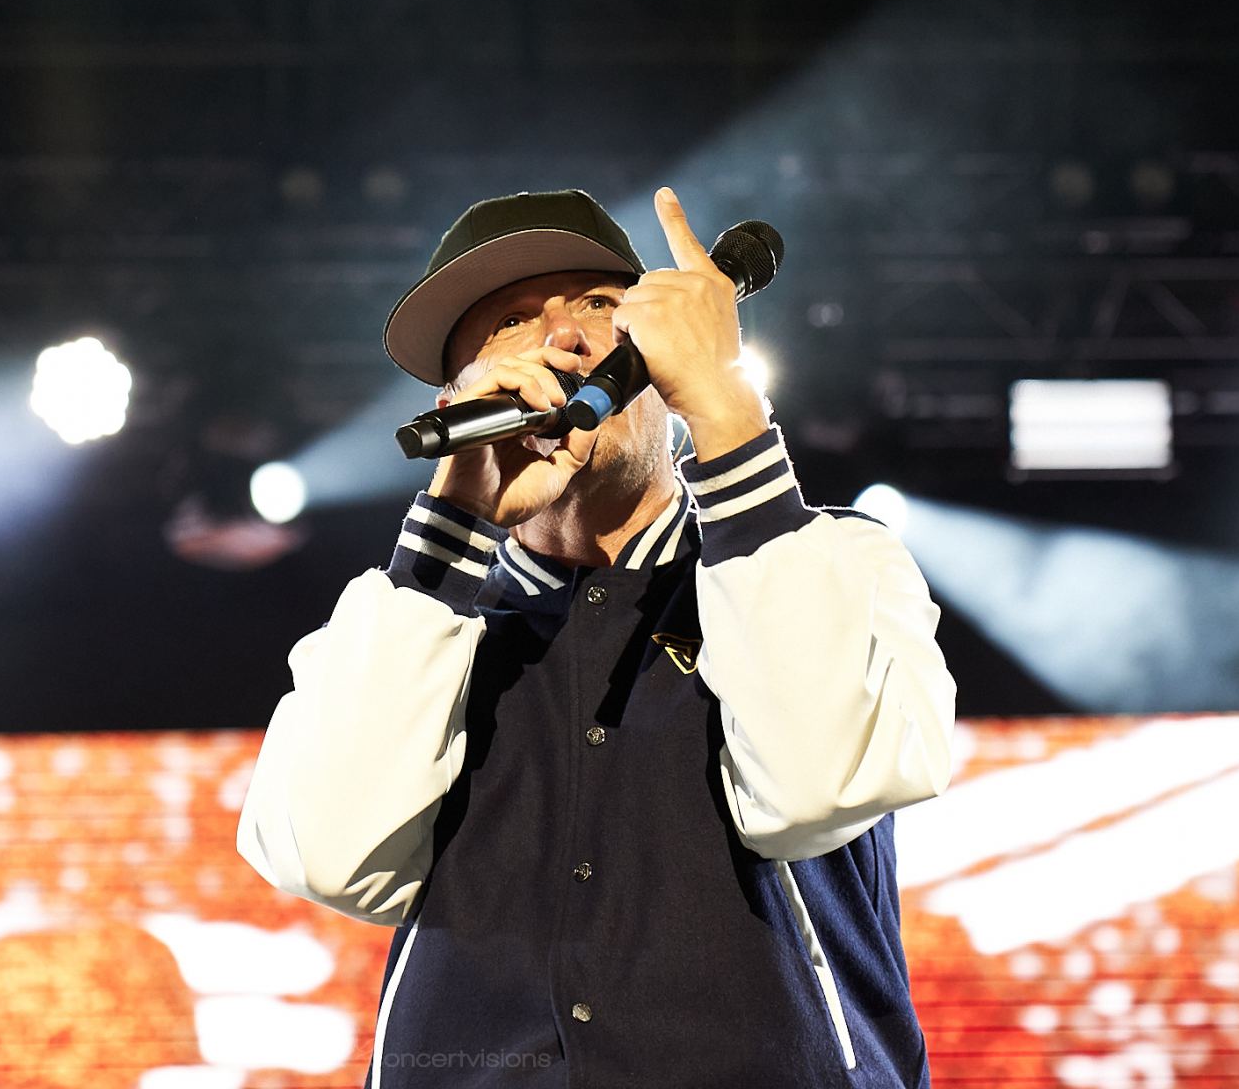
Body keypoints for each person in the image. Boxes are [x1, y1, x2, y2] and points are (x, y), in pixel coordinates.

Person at [238, 187, 956, 1087]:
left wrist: (727, 411)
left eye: (598, 304)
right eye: (509, 322)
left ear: (660, 357)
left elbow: (819, 787)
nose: (562, 338)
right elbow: (330, 860)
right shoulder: (412, 623)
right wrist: (453, 526)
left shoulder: (836, 559)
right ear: (458, 398)